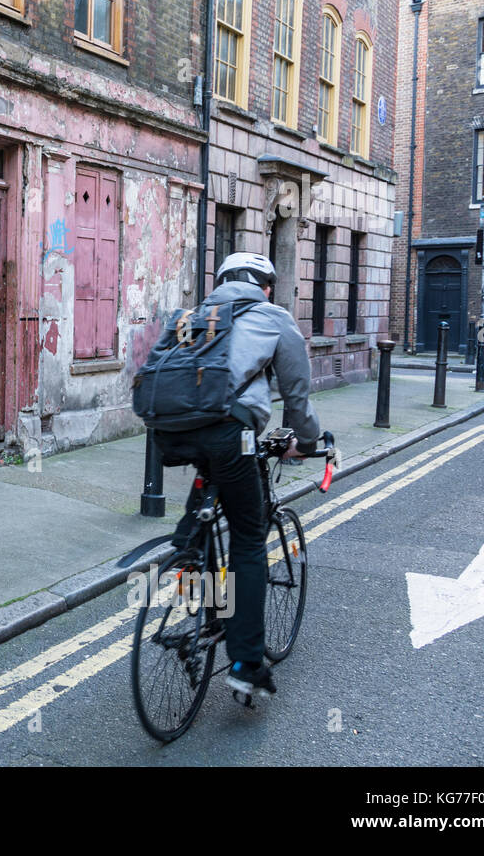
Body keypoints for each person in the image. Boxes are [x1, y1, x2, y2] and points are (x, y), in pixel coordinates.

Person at [153, 252, 321, 698]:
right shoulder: (274, 317)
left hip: (171, 433)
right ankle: (247, 664)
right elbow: (297, 393)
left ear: (222, 281)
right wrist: (308, 441)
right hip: (232, 434)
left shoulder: (193, 317)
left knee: (201, 516)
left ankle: (192, 566)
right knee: (248, 540)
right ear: (266, 286)